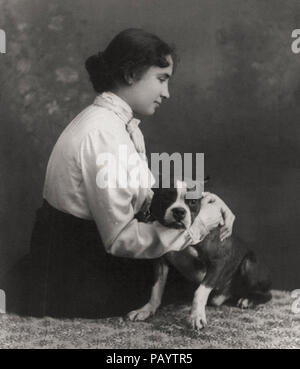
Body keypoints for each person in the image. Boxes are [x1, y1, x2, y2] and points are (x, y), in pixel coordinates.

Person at [5, 29, 235, 318]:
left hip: (83, 257)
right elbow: (119, 240)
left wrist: (206, 201)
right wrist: (197, 227)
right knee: (195, 275)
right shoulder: (104, 135)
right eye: (161, 79)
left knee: (199, 262)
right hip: (79, 276)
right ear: (130, 73)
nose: (167, 93)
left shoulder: (114, 123)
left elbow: (148, 192)